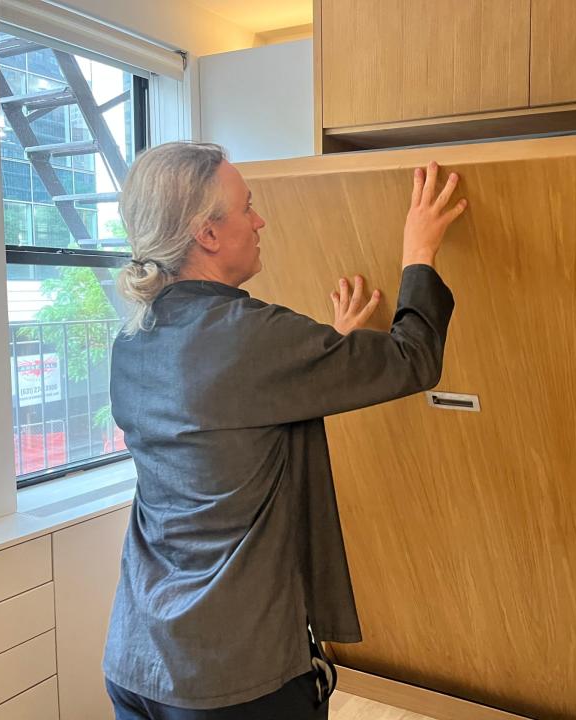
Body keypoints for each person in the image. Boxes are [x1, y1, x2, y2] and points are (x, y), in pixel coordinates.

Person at [102, 141, 467, 719]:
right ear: (208, 234)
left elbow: (231, 423)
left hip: (140, 658)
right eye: (247, 206)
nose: (259, 219)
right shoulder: (249, 336)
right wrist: (419, 251)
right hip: (232, 676)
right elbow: (413, 359)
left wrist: (328, 354)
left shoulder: (132, 341)